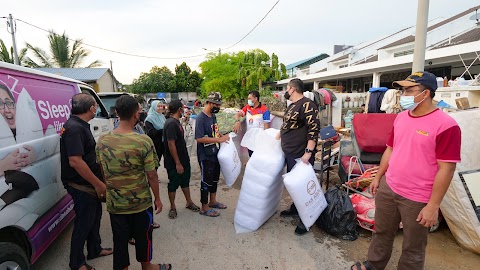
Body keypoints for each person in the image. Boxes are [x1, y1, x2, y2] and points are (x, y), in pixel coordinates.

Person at [351, 71, 461, 270]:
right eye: (402, 90)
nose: (403, 94)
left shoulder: (446, 126)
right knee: (381, 232)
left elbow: (447, 168)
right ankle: (374, 265)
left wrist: (433, 206)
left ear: (425, 93)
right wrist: (379, 177)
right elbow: (391, 149)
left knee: (413, 246)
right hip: (389, 187)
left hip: (418, 198)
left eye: (409, 90)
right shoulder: (401, 118)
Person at [96, 95, 171, 270]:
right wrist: (158, 199)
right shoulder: (143, 141)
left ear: (116, 113)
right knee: (144, 236)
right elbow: (152, 175)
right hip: (140, 204)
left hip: (116, 203)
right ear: (136, 115)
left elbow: (103, 171)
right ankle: (147, 267)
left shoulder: (102, 140)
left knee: (120, 240)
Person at [60, 93, 113, 270]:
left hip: (89, 183)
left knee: (95, 216)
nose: (96, 109)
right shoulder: (75, 128)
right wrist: (98, 184)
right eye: (95, 106)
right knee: (84, 222)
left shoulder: (79, 125)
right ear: (91, 108)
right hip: (81, 185)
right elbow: (75, 161)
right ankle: (76, 263)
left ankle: (94, 248)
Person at [278, 78, 320, 236]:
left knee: (303, 187)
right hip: (291, 153)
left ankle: (306, 219)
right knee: (295, 185)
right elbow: (286, 125)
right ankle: (296, 209)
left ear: (292, 89)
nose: (286, 92)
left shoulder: (307, 104)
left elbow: (313, 128)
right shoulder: (292, 106)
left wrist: (308, 152)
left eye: (287, 89)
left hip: (301, 154)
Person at [194, 92, 230, 217]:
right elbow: (199, 138)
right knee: (206, 180)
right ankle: (204, 207)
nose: (218, 107)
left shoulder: (212, 116)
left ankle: (213, 201)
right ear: (209, 103)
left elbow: (214, 132)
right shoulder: (201, 118)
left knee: (214, 178)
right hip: (205, 155)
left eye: (219, 104)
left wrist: (220, 136)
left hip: (215, 153)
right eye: (216, 104)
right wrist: (218, 140)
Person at [163, 100, 200, 219]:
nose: (184, 110)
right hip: (174, 162)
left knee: (185, 182)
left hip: (183, 159)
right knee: (173, 184)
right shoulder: (170, 124)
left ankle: (189, 202)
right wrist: (177, 163)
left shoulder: (176, 122)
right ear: (179, 109)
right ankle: (173, 207)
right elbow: (171, 144)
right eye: (183, 108)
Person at [232, 90, 271, 156]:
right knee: (250, 155)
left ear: (255, 99)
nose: (248, 100)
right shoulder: (247, 107)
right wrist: (237, 121)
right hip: (249, 137)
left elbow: (266, 127)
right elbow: (237, 115)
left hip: (259, 138)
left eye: (250, 98)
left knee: (258, 156)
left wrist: (265, 139)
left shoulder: (264, 110)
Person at [145, 100, 166, 165]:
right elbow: (150, 133)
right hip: (156, 144)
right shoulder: (149, 118)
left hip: (164, 143)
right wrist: (163, 131)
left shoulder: (162, 116)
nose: (160, 108)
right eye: (158, 106)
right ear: (154, 107)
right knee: (155, 163)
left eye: (161, 106)